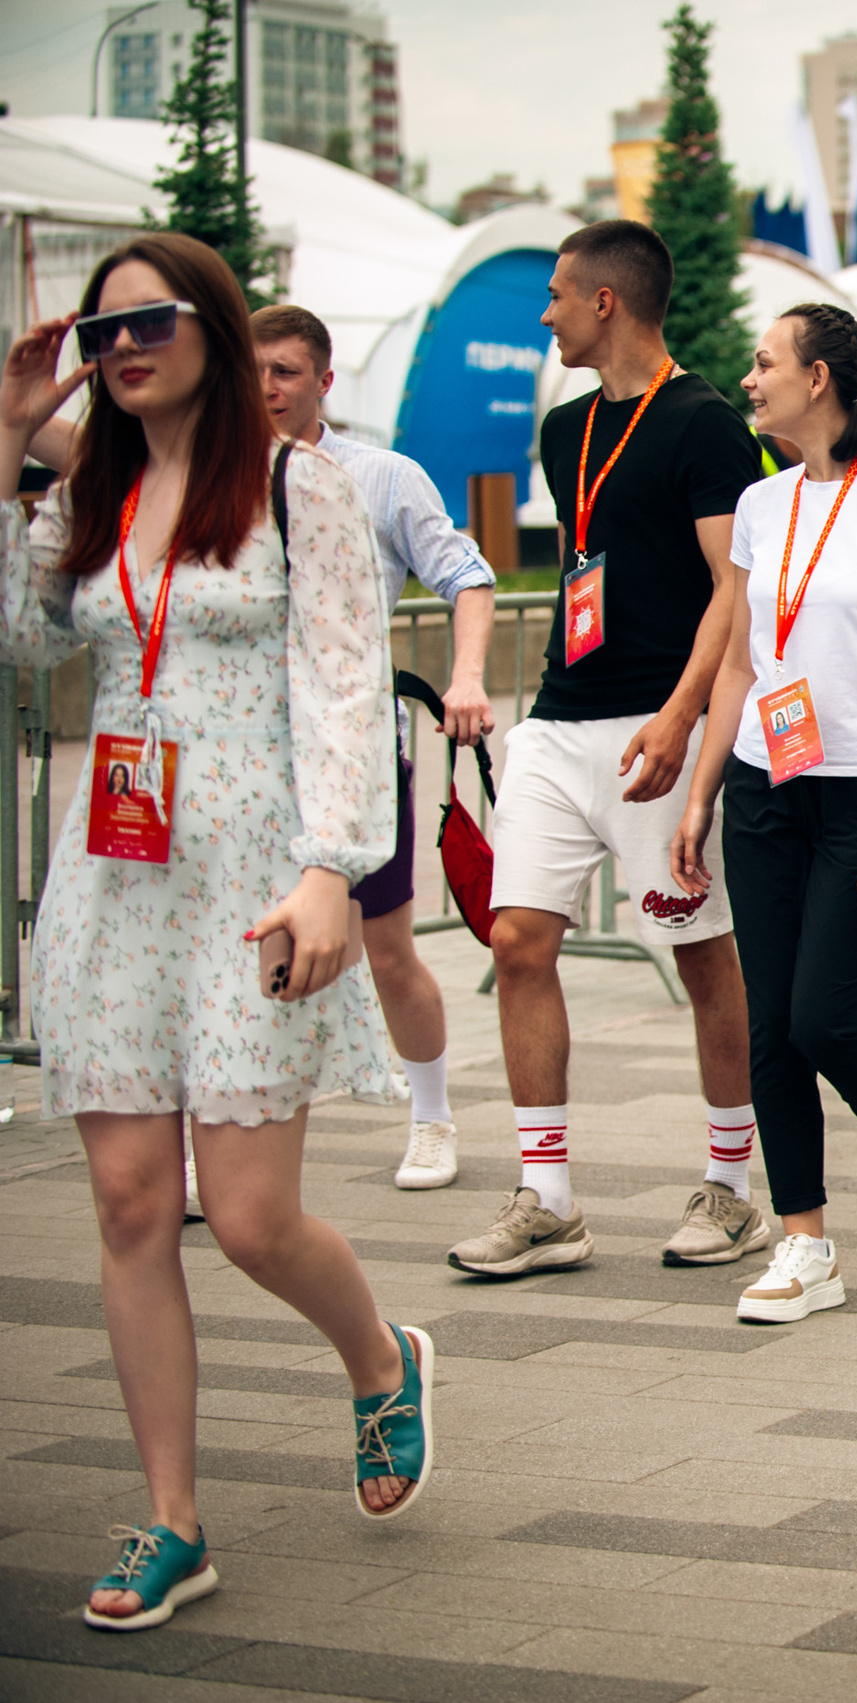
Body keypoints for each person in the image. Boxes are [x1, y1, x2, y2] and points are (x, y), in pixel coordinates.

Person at [0, 233, 433, 1629]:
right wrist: (9, 433)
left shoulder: (299, 488)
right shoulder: (91, 490)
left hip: (258, 876)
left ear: (211, 327)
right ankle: (173, 1519)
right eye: (101, 331)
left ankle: (378, 1357)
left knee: (247, 1219)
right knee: (131, 1205)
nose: (123, 347)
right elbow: (22, 641)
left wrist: (332, 871)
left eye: (153, 321)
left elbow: (351, 689)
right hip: (114, 881)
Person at [446, 221, 765, 1277]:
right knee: (517, 939)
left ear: (605, 303)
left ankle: (733, 1186)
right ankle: (547, 1199)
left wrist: (680, 717)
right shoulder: (562, 428)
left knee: (699, 950)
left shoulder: (708, 424)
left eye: (554, 295)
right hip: (555, 717)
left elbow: (735, 585)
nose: (543, 313)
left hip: (653, 730)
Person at [667, 304, 857, 1317]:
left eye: (763, 362)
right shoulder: (761, 503)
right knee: (769, 1028)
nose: (749, 379)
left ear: (821, 378)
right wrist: (702, 790)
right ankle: (805, 1244)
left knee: (824, 1014)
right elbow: (743, 660)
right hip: (762, 782)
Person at [247, 305, 498, 1193]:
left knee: (385, 948)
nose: (266, 387)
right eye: (253, 370)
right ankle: (230, 1137)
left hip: (350, 748)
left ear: (322, 381)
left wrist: (468, 677)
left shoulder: (381, 477)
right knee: (238, 949)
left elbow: (468, 574)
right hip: (238, 758)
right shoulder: (210, 475)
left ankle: (431, 1116)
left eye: (283, 370)